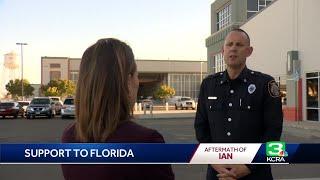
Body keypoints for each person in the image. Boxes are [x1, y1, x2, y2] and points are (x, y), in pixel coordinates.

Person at [61, 38, 174, 180]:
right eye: (137, 76)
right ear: (127, 81)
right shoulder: (146, 142)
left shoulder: (69, 136)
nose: (138, 83)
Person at [194, 29, 283, 180]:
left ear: (249, 51)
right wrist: (214, 162)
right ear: (223, 51)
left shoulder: (265, 84)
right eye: (229, 44)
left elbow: (273, 132)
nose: (233, 48)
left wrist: (248, 166)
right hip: (218, 173)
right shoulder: (208, 85)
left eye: (239, 45)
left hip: (256, 174)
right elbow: (201, 128)